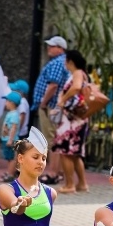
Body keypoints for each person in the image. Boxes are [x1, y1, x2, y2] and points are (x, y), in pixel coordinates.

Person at [50, 49, 89, 193]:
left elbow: (76, 87)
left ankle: (69, 184)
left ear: (70, 61)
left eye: (66, 61)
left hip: (71, 120)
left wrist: (63, 99)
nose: (64, 64)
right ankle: (82, 184)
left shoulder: (77, 73)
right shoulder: (82, 74)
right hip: (78, 119)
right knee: (75, 153)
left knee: (65, 151)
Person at [34, 36, 68, 185]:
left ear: (60, 48)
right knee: (55, 137)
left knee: (52, 139)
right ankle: (58, 172)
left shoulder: (57, 63)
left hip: (51, 106)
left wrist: (43, 103)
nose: (49, 48)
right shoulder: (62, 62)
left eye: (52, 46)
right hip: (54, 105)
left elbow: (53, 85)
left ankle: (53, 172)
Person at [0, 92, 22, 176]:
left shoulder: (14, 115)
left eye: (7, 101)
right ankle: (9, 171)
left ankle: (11, 173)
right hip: (6, 139)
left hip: (11, 140)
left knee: (12, 157)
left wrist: (10, 139)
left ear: (12, 103)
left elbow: (13, 128)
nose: (5, 103)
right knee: (8, 157)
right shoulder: (10, 113)